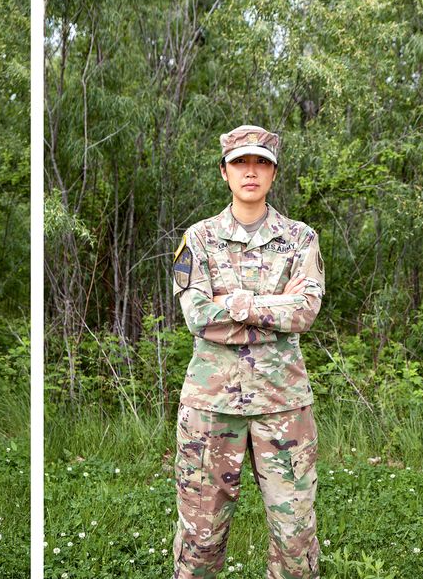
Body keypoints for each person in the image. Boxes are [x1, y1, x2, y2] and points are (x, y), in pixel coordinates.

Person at [171, 125, 325, 578]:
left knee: (295, 537)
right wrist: (274, 304)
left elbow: (305, 312)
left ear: (273, 173)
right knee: (200, 537)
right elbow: (198, 316)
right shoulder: (198, 238)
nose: (251, 171)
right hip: (211, 407)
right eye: (241, 163)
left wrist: (235, 305)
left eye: (261, 163)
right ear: (224, 172)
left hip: (283, 406)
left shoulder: (300, 238)